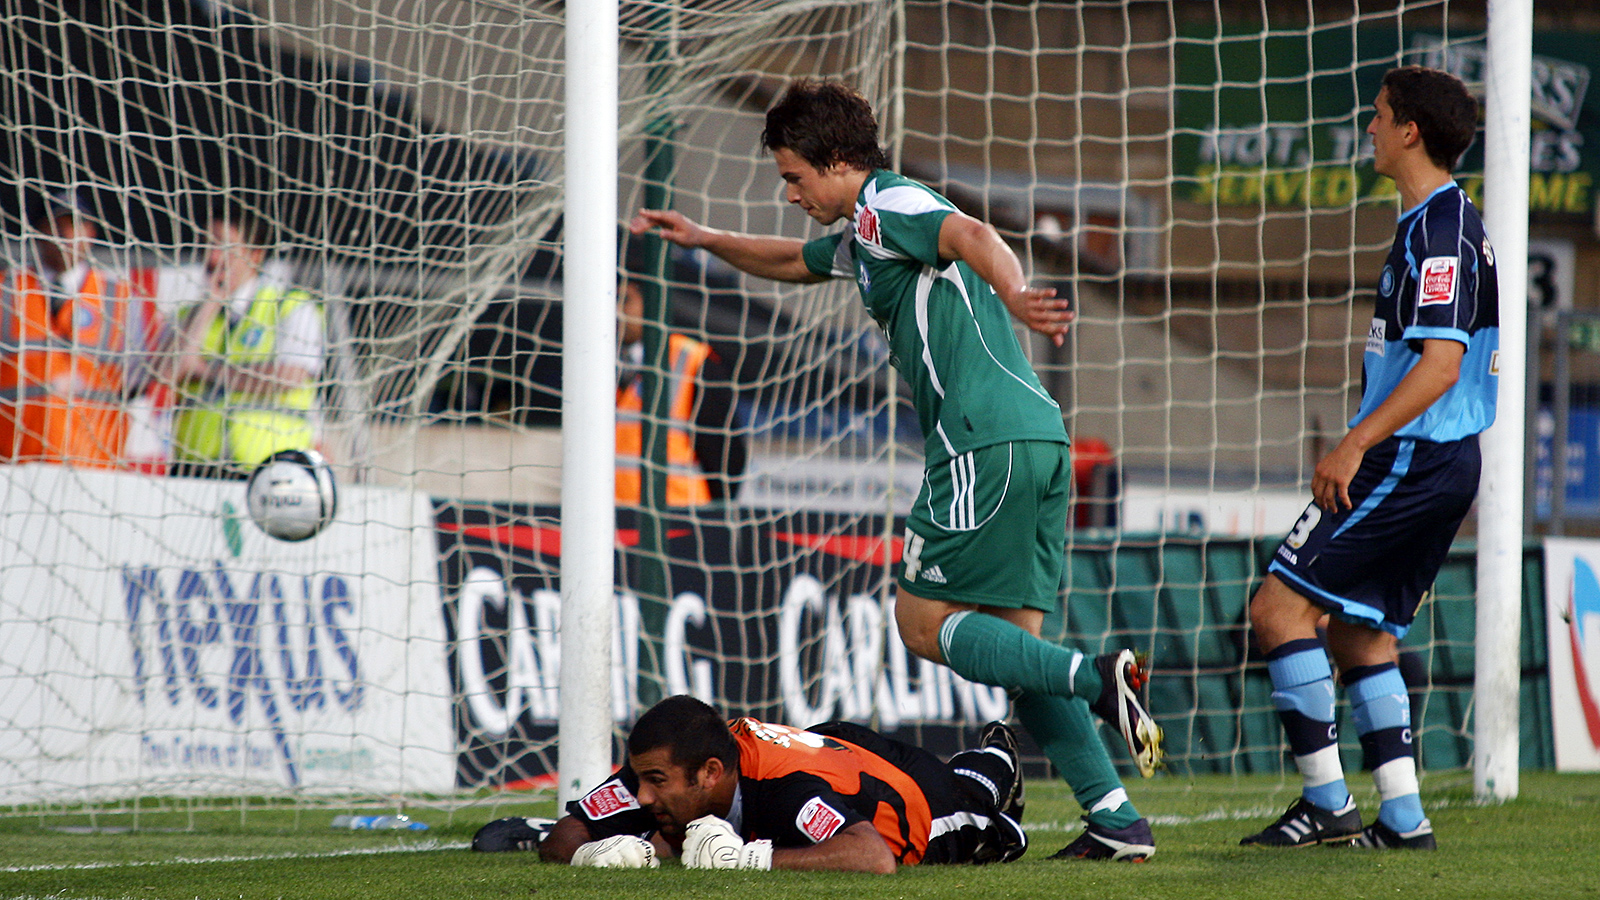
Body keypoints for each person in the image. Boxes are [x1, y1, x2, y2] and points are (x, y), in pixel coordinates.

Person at [630, 79, 1163, 861]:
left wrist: (1015, 292)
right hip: (1036, 440)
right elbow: (793, 261)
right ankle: (1116, 820)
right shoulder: (862, 235)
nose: (791, 193)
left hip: (980, 443)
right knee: (1017, 650)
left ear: (839, 161)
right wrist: (704, 238)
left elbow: (974, 233)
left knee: (920, 621)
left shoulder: (888, 205)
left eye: (794, 176)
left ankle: (1099, 674)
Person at [1239, 66, 1497, 852]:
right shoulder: (1434, 220)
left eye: (1380, 116)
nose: (1370, 128)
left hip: (1409, 457)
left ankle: (1325, 802)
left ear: (1411, 129)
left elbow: (1441, 364)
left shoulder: (1441, 229)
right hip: (1439, 459)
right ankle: (1403, 818)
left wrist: (1354, 442)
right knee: (1360, 633)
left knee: (1278, 611)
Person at [475, 694, 1027, 872]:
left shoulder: (787, 791)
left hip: (906, 806)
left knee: (975, 801)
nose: (642, 797)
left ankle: (1000, 755)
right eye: (641, 780)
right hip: (828, 744)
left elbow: (873, 857)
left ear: (711, 774)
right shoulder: (662, 768)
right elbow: (564, 838)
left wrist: (749, 859)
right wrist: (600, 853)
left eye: (656, 783)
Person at [166, 207, 323, 478]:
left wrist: (205, 371)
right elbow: (165, 373)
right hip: (195, 467)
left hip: (270, 469)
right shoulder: (189, 315)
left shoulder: (290, 306)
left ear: (255, 256)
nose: (212, 258)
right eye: (206, 246)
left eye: (224, 247)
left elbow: (289, 376)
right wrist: (210, 304)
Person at [1, 188, 149, 468]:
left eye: (77, 224)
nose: (68, 236)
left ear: (92, 232)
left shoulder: (118, 298)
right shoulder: (6, 291)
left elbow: (139, 379)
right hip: (14, 463)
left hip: (94, 464)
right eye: (57, 225)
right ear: (39, 231)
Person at [616, 252, 746, 505]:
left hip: (679, 521)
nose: (616, 313)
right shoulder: (600, 363)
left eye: (624, 300)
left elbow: (726, 456)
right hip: (614, 522)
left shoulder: (693, 362)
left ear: (653, 304)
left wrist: (713, 514)